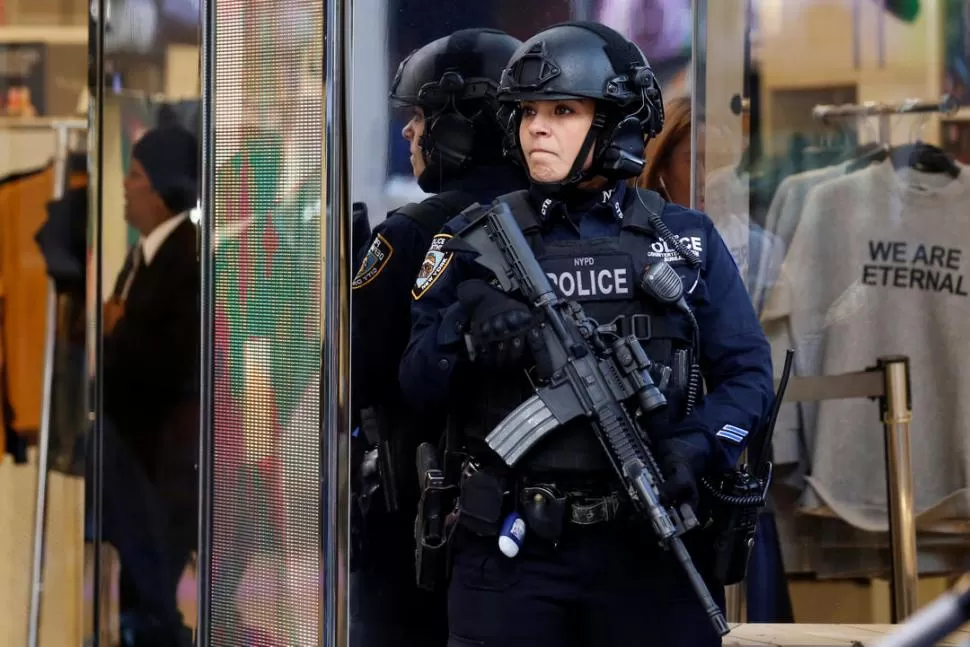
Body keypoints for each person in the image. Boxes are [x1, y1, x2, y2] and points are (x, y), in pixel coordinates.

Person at [399, 21, 774, 647]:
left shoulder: (684, 241)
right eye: (528, 113)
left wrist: (696, 448)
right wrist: (465, 337)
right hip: (510, 553)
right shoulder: (469, 241)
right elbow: (413, 383)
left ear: (614, 125)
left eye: (563, 110)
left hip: (646, 547)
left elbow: (749, 377)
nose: (537, 127)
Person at [349, 28, 527, 647]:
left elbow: (351, 375)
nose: (409, 132)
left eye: (420, 116)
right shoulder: (555, 220)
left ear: (460, 126)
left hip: (417, 524)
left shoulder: (413, 232)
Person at [99, 123, 200, 647]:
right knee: (139, 605)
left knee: (157, 607)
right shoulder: (145, 254)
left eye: (135, 175)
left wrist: (118, 328)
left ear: (161, 188)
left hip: (164, 468)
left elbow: (181, 361)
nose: (124, 185)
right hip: (133, 463)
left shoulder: (189, 256)